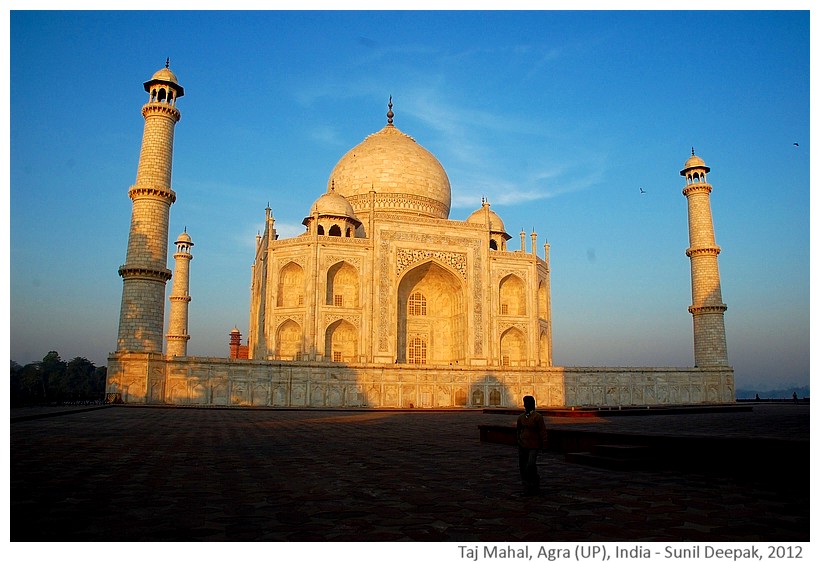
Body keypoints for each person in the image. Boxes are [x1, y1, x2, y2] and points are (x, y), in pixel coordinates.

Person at [516, 395, 548, 496]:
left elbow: (543, 431)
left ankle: (534, 484)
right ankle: (527, 486)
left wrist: (544, 444)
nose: (525, 405)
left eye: (527, 403)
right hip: (523, 445)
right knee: (523, 466)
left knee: (530, 465)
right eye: (525, 403)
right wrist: (519, 440)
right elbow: (518, 430)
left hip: (534, 445)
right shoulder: (521, 417)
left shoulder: (537, 417)